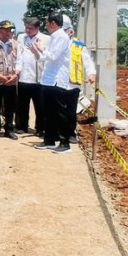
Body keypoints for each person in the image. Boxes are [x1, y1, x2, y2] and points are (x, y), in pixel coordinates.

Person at [33, 12, 71, 153]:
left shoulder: (61, 37)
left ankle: (64, 142)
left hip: (57, 80)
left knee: (60, 113)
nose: (46, 26)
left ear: (53, 24)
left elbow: (54, 56)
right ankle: (49, 140)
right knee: (48, 112)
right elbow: (46, 58)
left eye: (47, 23)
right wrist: (38, 51)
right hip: (48, 80)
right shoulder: (55, 37)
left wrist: (42, 48)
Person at [63, 15, 96, 144]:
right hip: (58, 83)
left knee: (71, 111)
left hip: (72, 84)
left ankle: (71, 133)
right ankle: (59, 133)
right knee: (58, 111)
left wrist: (91, 74)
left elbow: (87, 62)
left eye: (65, 31)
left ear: (71, 31)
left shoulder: (79, 46)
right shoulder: (56, 44)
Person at [15, 17, 51, 136]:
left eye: (30, 28)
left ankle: (40, 128)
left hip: (39, 78)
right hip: (23, 77)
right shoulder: (21, 37)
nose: (28, 30)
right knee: (22, 105)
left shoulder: (46, 39)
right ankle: (22, 126)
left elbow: (48, 56)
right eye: (26, 27)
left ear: (37, 28)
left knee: (40, 106)